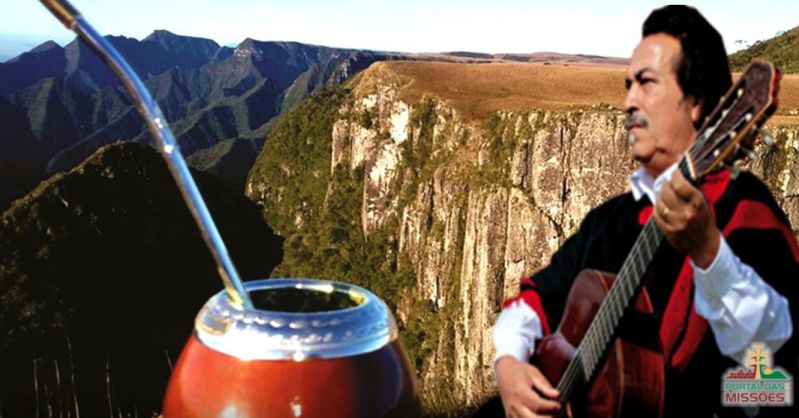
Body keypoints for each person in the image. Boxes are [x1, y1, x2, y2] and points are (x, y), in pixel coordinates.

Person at [483, 5, 799, 418]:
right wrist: (508, 362)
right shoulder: (611, 217)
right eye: (628, 85)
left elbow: (778, 374)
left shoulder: (745, 212)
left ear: (697, 103)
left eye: (646, 83)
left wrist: (709, 253)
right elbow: (536, 297)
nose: (628, 101)